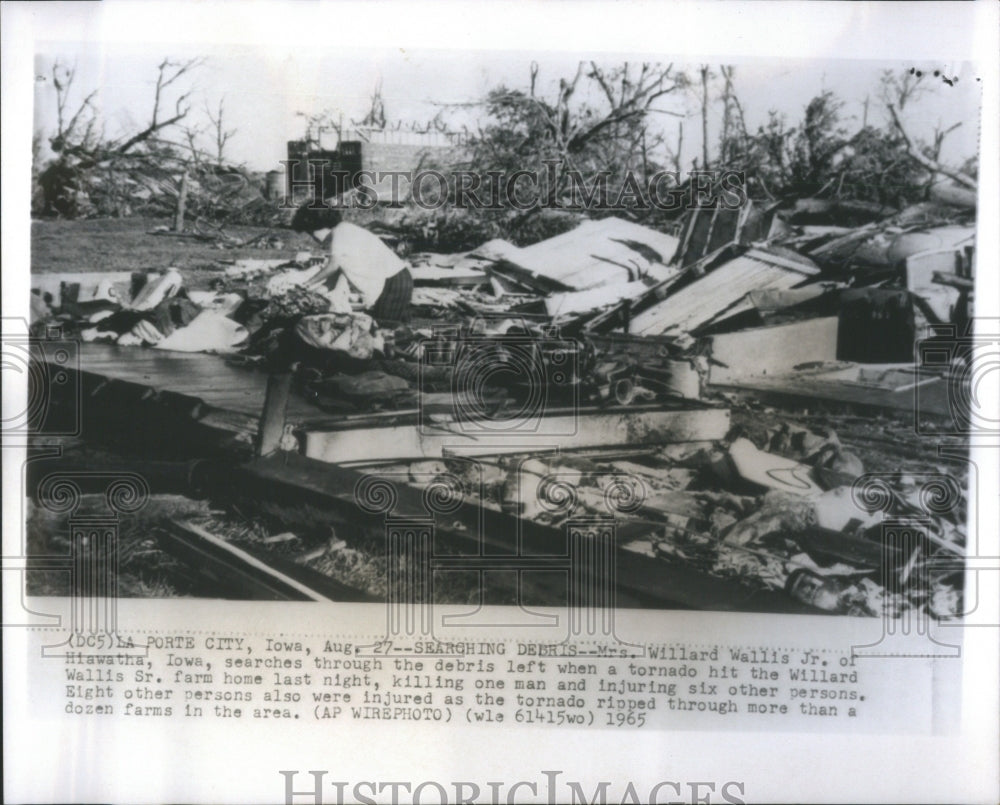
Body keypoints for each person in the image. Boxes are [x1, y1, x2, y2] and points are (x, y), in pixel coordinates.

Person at [290, 204, 413, 322]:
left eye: (311, 233)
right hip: (396, 279)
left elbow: (333, 266)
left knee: (384, 329)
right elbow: (332, 279)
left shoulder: (340, 232)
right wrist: (310, 294)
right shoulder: (344, 231)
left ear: (320, 224)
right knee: (390, 329)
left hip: (394, 280)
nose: (313, 238)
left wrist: (306, 284)